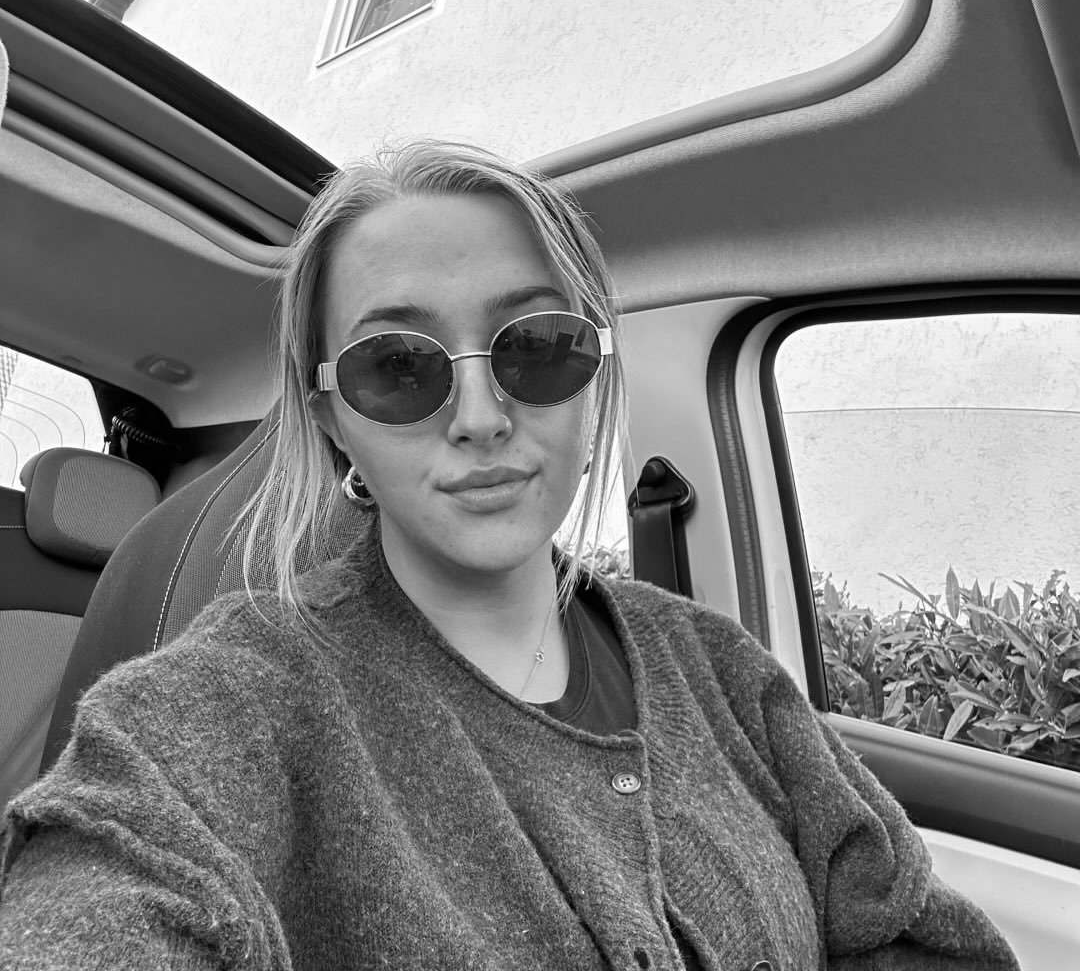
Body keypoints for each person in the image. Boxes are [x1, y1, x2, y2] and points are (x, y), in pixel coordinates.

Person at [0, 142, 1018, 970]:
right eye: (399, 367)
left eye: (535, 347)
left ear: (590, 373)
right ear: (334, 418)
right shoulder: (226, 706)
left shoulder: (723, 670)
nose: (481, 418)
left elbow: (909, 937)